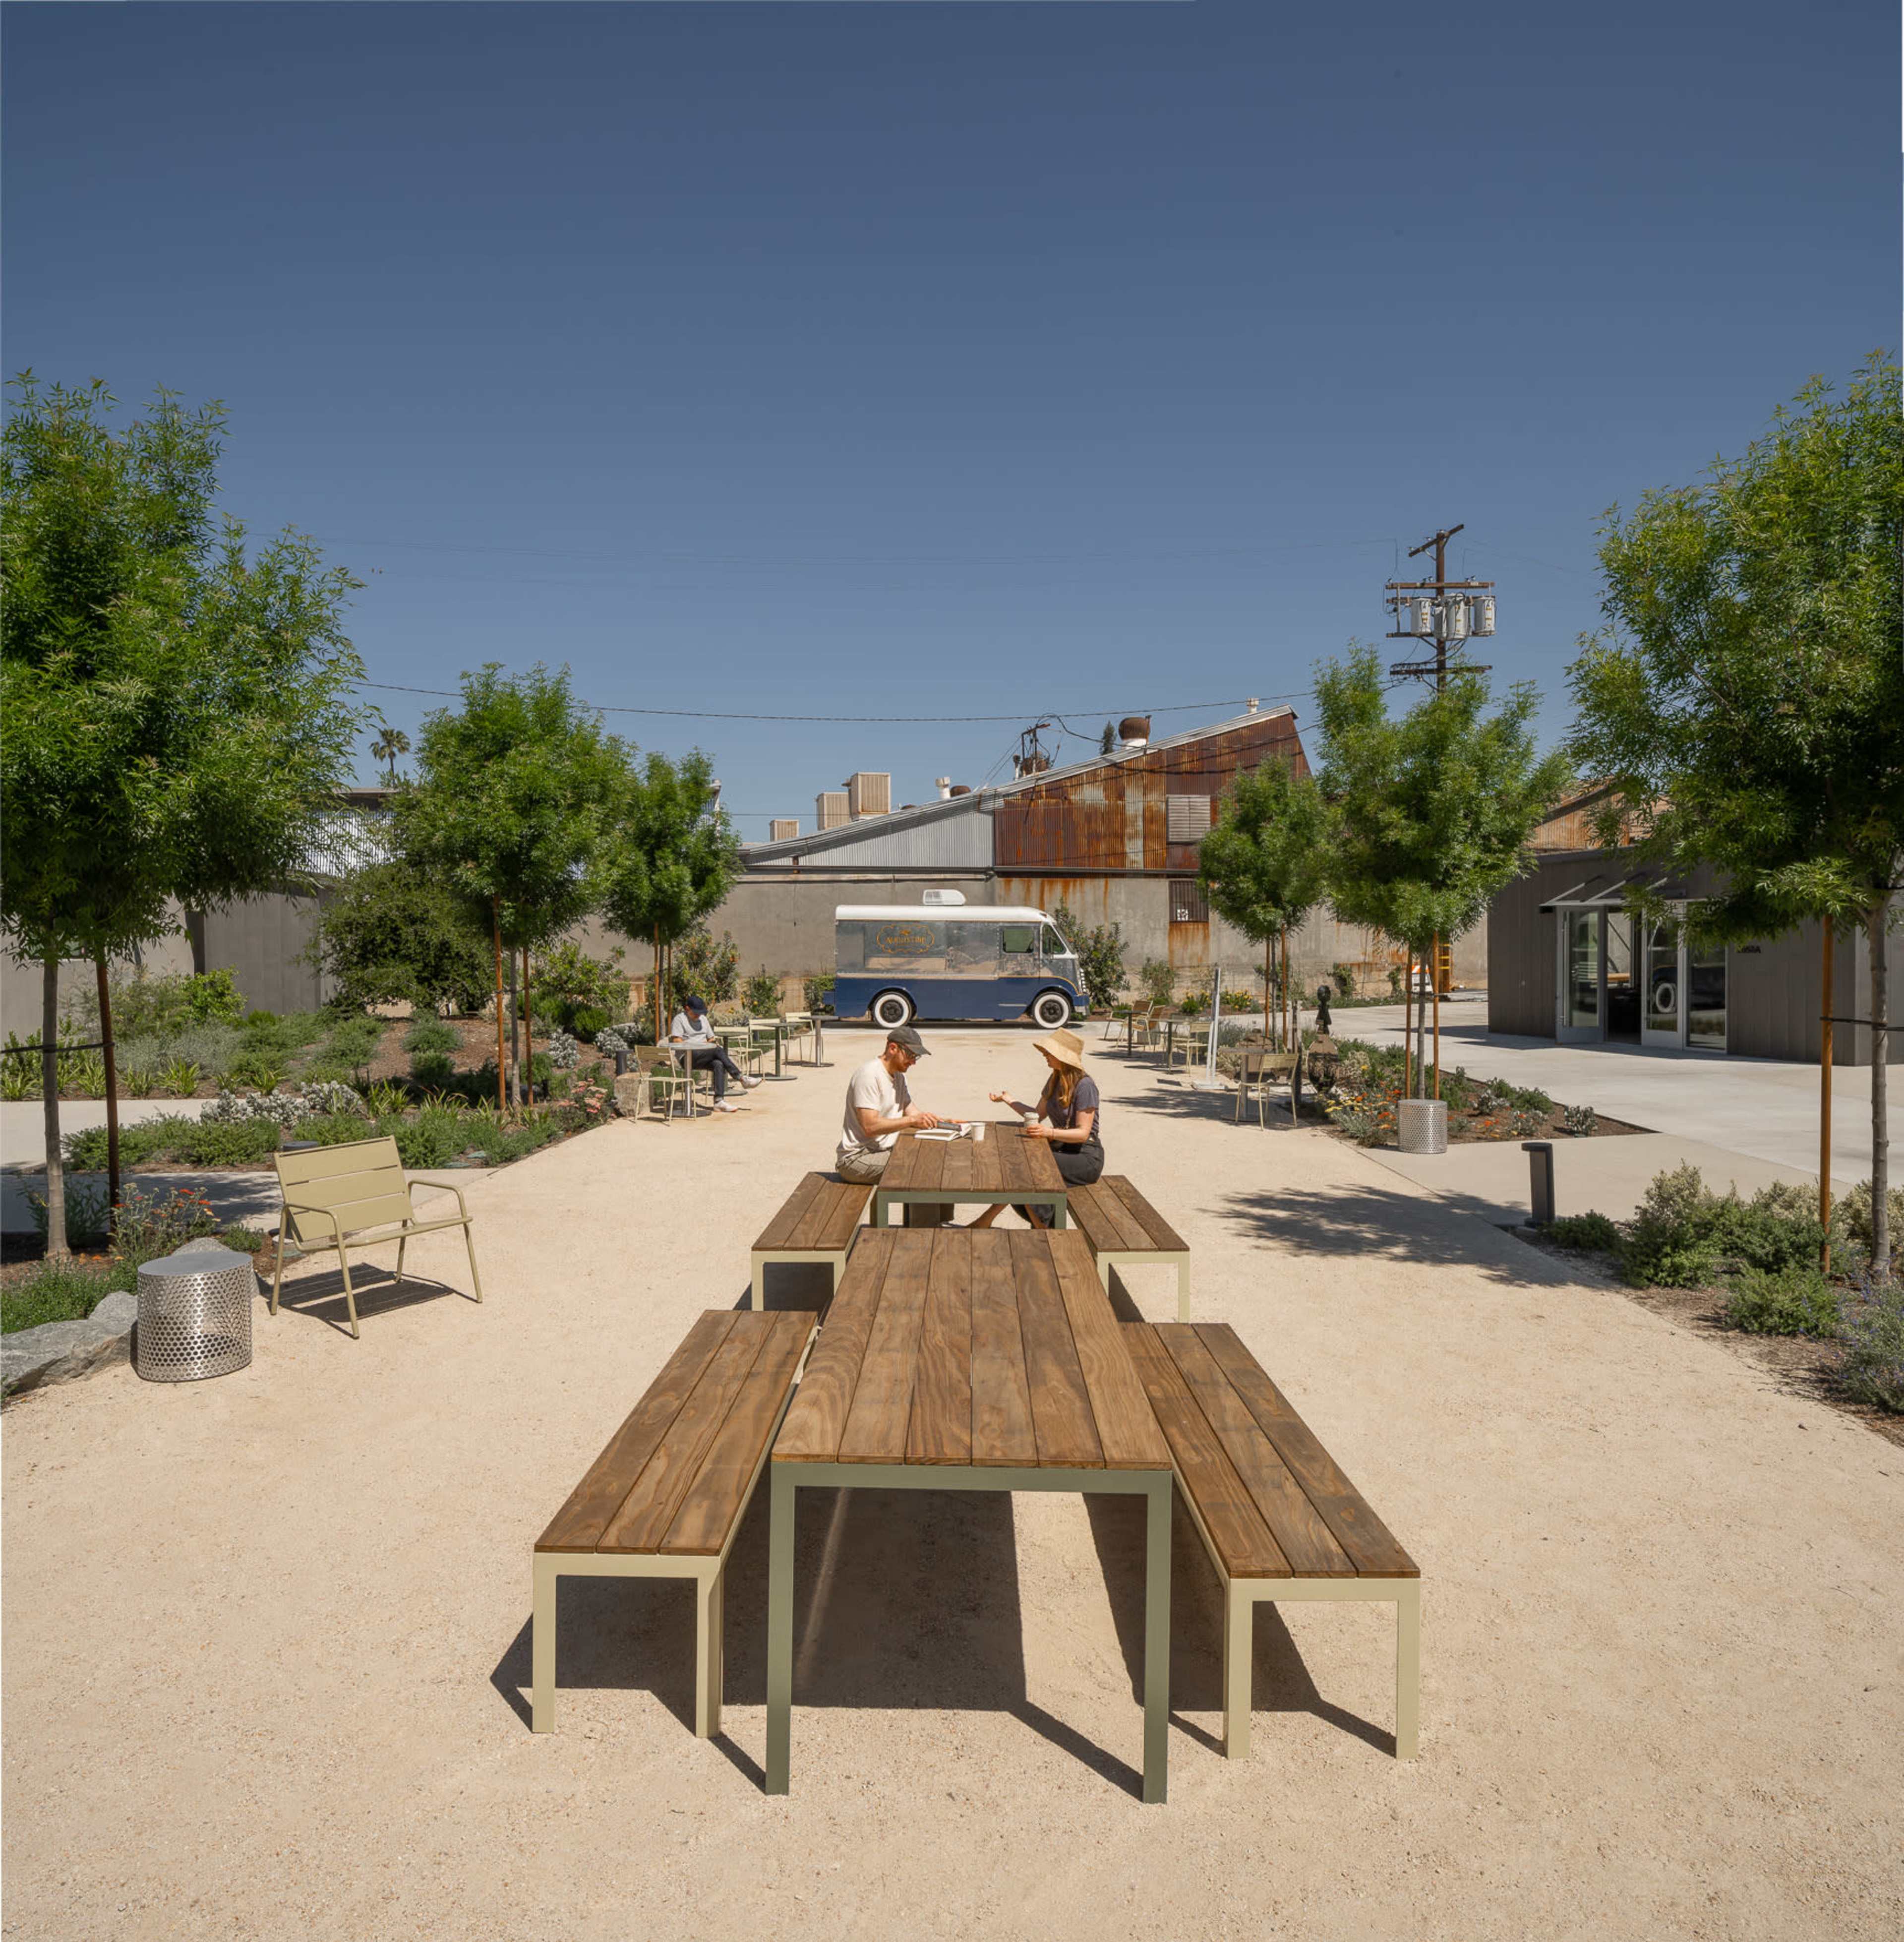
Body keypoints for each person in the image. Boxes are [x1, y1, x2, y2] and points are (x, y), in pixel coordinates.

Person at [969, 1027, 1102, 1229]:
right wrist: (1008, 1099)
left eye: (1049, 1053)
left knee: (1027, 1169)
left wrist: (1049, 1133)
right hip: (1063, 1149)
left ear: (1062, 1056)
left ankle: (1039, 1230)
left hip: (1085, 1157)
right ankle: (1039, 1227)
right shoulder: (1055, 1078)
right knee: (1017, 1164)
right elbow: (1037, 1115)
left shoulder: (1086, 1086)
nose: (1045, 1056)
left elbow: (1083, 1134)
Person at [835, 1025, 941, 1183]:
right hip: (857, 1159)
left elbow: (913, 1113)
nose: (913, 1062)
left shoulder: (899, 1077)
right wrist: (913, 1121)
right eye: (911, 1055)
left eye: (916, 1057)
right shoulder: (869, 1075)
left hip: (881, 1152)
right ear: (893, 1048)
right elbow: (870, 1127)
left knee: (936, 1161)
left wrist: (944, 1123)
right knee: (921, 1168)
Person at [667, 994, 761, 1114]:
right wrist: (698, 1045)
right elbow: (676, 1041)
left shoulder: (704, 1020)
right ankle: (741, 1078)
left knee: (718, 1064)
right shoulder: (679, 1019)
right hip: (686, 1056)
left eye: (700, 1013)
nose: (698, 1015)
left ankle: (719, 1102)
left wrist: (707, 1044)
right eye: (695, 1012)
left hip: (703, 1055)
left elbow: (711, 1039)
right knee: (717, 1050)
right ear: (687, 1009)